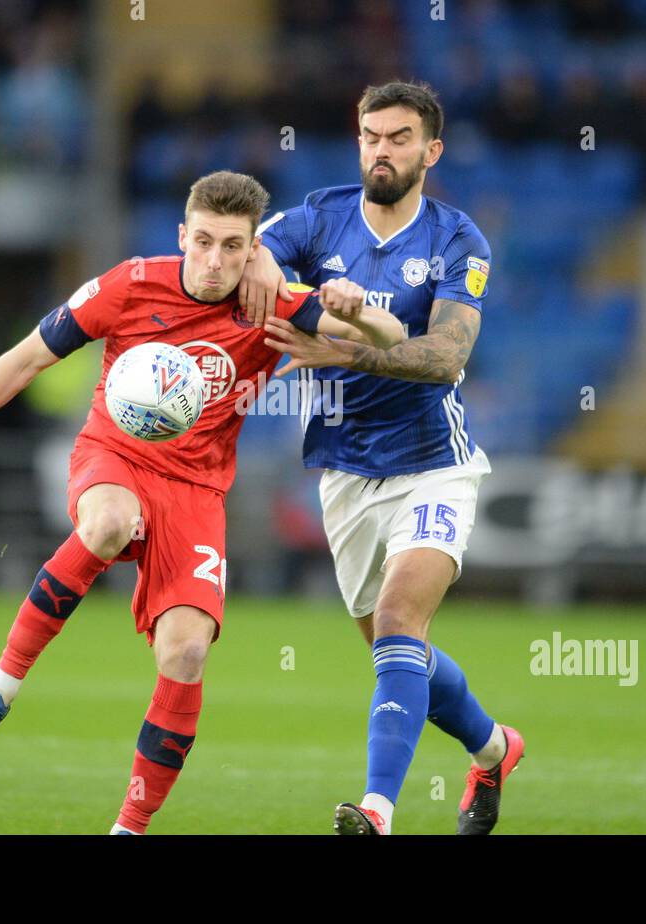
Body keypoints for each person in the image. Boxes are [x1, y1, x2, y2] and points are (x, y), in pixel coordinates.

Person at [0, 171, 403, 834]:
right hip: (114, 456)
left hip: (197, 491)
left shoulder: (272, 300)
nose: (215, 261)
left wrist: (356, 309)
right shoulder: (129, 285)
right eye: (204, 242)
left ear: (252, 251)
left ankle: (128, 829)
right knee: (109, 522)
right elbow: (23, 361)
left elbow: (389, 335)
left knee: (186, 655)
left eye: (233, 247)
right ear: (182, 236)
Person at [239, 81, 523, 835]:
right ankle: (494, 749)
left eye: (399, 138)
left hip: (433, 462)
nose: (382, 151)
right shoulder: (320, 216)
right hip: (343, 472)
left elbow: (444, 357)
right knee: (402, 654)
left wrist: (342, 341)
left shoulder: (458, 241)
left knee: (401, 617)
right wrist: (267, 268)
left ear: (431, 151)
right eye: (371, 136)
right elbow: (251, 253)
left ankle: (377, 812)